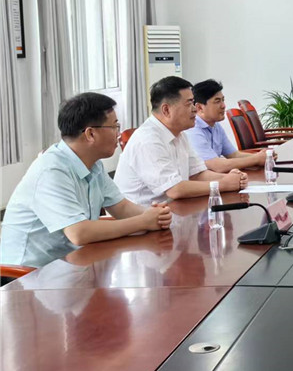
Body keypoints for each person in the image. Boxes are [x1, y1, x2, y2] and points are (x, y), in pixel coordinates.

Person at [0, 93, 172, 268]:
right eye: (114, 127)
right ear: (90, 133)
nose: (119, 134)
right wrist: (143, 221)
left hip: (69, 262)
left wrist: (156, 216)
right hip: (28, 273)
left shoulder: (93, 164)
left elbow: (122, 207)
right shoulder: (52, 170)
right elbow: (79, 233)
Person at [114, 76, 247, 205]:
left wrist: (232, 178)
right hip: (142, 216)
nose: (194, 109)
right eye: (189, 104)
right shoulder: (148, 140)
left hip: (173, 209)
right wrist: (223, 184)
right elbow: (175, 189)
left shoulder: (180, 134)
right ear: (166, 110)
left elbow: (197, 174)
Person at [186, 79, 267, 173]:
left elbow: (234, 155)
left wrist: (264, 156)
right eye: (217, 101)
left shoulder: (216, 125)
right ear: (199, 107)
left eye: (223, 100)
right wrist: (256, 159)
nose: (223, 106)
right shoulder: (192, 129)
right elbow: (217, 166)